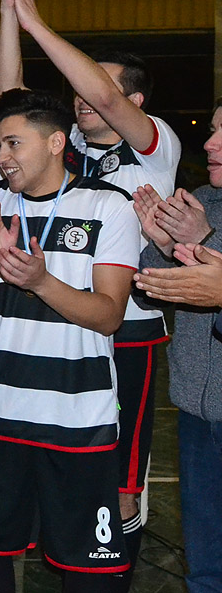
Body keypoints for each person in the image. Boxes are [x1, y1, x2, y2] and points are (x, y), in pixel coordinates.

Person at [0, 0, 180, 585]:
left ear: (132, 98)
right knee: (62, 471)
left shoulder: (154, 142)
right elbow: (10, 100)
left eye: (90, 85)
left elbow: (99, 88)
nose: (77, 96)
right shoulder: (66, 147)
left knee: (120, 481)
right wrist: (8, 14)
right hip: (60, 323)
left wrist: (38, 18)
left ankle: (117, 577)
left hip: (126, 328)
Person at [0, 88, 138, 593]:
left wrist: (40, 281)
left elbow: (108, 316)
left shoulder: (108, 205)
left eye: (13, 144)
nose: (1, 157)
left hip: (77, 418)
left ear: (56, 142)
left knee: (88, 568)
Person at [130, 98, 222, 593]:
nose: (209, 143)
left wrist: (207, 239)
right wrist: (165, 249)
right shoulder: (202, 200)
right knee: (206, 564)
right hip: (197, 413)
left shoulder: (204, 217)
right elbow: (158, 289)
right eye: (212, 129)